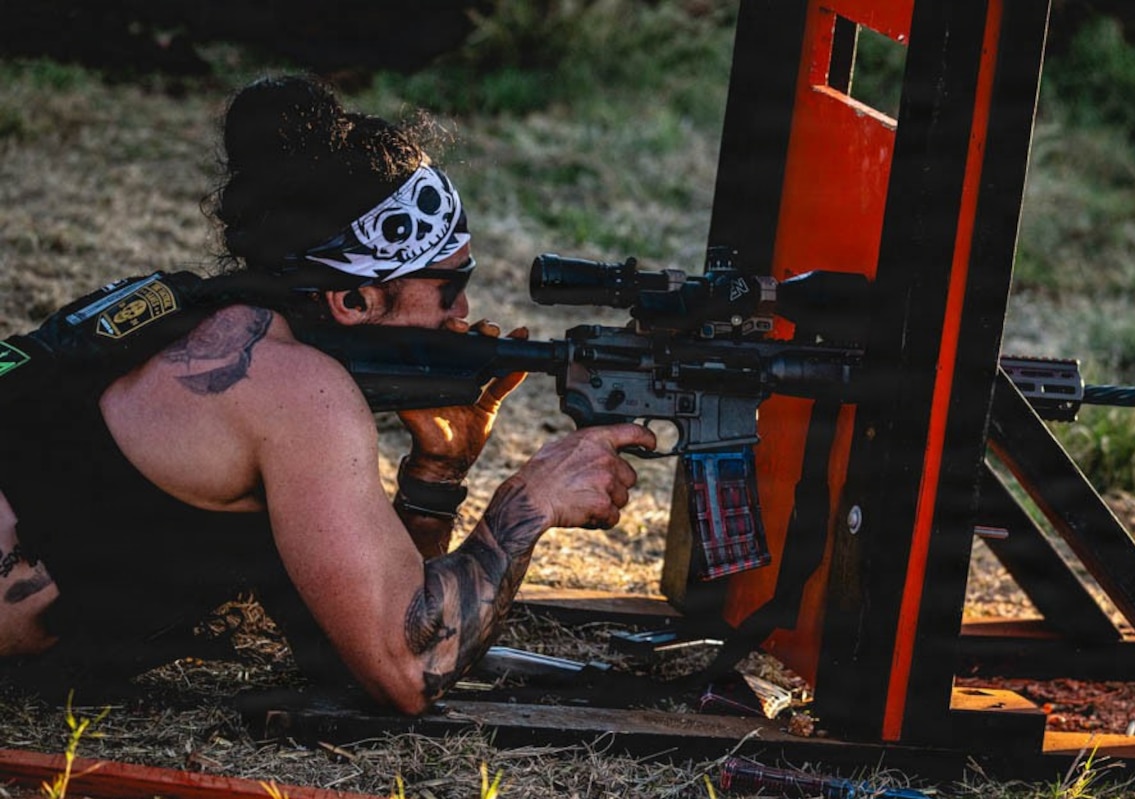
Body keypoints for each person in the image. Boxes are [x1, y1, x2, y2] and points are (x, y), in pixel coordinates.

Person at [0, 75, 654, 713]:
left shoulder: (226, 327)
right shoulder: (293, 388)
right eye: (448, 289)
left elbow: (352, 644)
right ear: (352, 299)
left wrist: (435, 479)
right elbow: (408, 667)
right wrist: (531, 498)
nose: (464, 314)